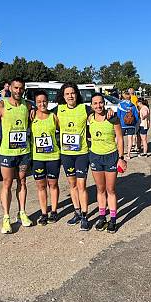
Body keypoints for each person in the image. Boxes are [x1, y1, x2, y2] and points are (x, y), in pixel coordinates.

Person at [0, 77, 33, 234]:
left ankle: (22, 212)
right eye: (16, 88)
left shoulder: (28, 106)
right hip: (7, 153)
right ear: (10, 88)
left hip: (23, 152)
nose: (18, 91)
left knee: (22, 182)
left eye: (21, 88)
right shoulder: (1, 105)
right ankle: (6, 217)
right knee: (7, 183)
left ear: (24, 89)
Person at [53, 83, 91, 231]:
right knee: (72, 185)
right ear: (63, 96)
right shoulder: (59, 109)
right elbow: (42, 113)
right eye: (67, 93)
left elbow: (100, 113)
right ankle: (76, 212)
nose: (70, 96)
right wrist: (32, 110)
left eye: (73, 93)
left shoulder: (84, 108)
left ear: (77, 94)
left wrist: (110, 114)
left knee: (81, 185)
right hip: (66, 154)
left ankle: (85, 216)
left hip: (81, 153)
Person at [89, 93, 126, 233]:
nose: (98, 106)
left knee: (110, 190)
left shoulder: (112, 117)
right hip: (95, 157)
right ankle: (102, 217)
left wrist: (121, 158)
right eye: (95, 103)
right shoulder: (90, 117)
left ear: (104, 103)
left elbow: (120, 138)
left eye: (100, 103)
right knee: (100, 189)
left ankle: (113, 219)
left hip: (111, 156)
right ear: (91, 105)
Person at [31, 89, 60, 225]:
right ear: (35, 103)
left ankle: (53, 211)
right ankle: (44, 212)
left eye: (44, 101)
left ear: (48, 102)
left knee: (53, 184)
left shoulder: (53, 116)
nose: (42, 104)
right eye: (39, 102)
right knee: (41, 186)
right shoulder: (31, 116)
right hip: (38, 158)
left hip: (53, 156)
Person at [117, 90, 139, 160]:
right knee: (130, 139)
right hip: (131, 125)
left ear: (123, 97)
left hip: (122, 124)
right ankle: (128, 154)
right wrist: (134, 123)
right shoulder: (133, 106)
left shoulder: (120, 105)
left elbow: (118, 115)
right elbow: (136, 117)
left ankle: (120, 153)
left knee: (120, 139)